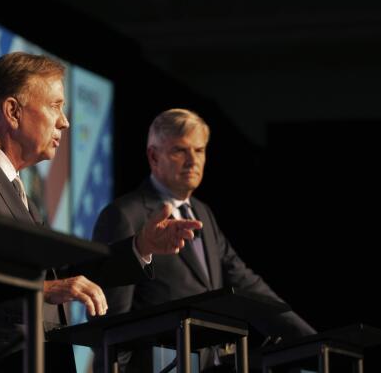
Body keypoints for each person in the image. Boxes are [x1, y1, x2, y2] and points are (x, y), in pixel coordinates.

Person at [0, 53, 202, 373]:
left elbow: (64, 275)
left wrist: (142, 246)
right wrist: (45, 291)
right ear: (12, 111)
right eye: (55, 105)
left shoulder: (12, 185)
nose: (64, 121)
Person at [92, 108, 316, 372]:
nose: (192, 161)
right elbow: (110, 318)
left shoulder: (203, 213)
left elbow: (248, 285)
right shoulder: (124, 215)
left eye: (199, 151)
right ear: (153, 156)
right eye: (180, 151)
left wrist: (313, 343)